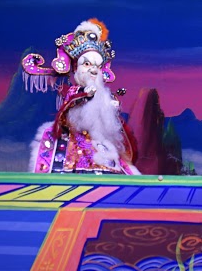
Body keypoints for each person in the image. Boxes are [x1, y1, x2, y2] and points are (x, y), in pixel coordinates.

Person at [22, 19, 141, 174]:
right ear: (75, 68)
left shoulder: (103, 94)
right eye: (87, 64)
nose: (94, 70)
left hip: (99, 143)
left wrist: (109, 107)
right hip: (73, 142)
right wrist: (85, 96)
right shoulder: (75, 93)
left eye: (98, 66)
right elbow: (69, 113)